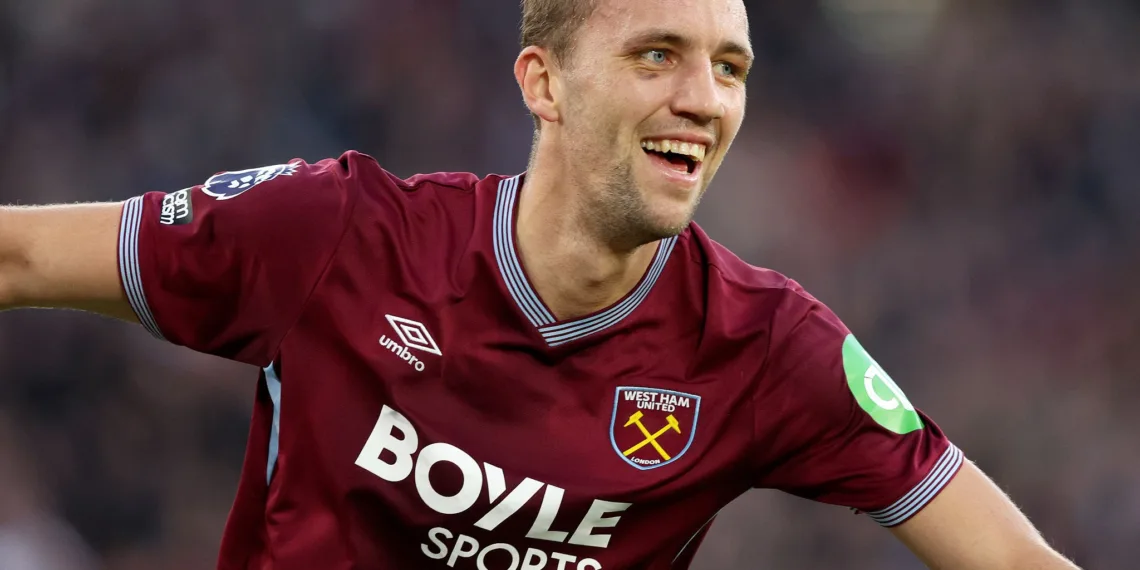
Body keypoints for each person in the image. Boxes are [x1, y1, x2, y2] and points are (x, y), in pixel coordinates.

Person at [0, 0, 1080, 568]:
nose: (704, 97)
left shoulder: (764, 349)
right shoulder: (338, 233)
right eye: (657, 54)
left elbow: (1013, 558)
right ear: (545, 81)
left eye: (731, 65)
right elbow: (23, 255)